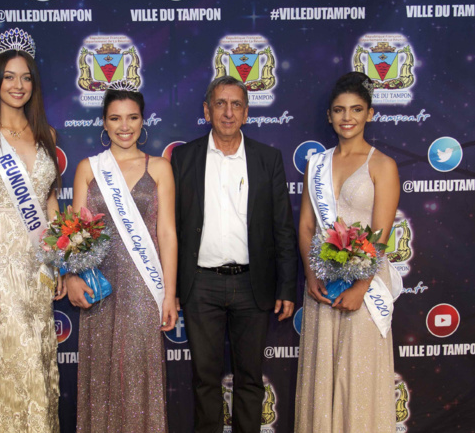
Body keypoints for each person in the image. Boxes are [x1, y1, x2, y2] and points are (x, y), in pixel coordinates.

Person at [170, 75, 297, 433]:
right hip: (201, 285)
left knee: (250, 379)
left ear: (246, 113)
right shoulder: (183, 158)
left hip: (252, 285)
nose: (228, 112)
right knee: (204, 379)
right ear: (207, 111)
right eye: (221, 104)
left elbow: (282, 228)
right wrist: (173, 287)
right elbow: (172, 227)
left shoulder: (267, 159)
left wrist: (287, 288)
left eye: (236, 104)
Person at [0, 28, 63, 432]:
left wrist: (59, 261)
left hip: (37, 261)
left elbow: (51, 203)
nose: (18, 85)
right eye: (9, 77)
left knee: (36, 355)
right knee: (11, 358)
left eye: (25, 78)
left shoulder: (46, 136)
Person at [66, 88, 179, 432]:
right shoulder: (89, 168)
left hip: (145, 288)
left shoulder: (158, 168)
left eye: (132, 117)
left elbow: (168, 234)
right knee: (101, 375)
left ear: (143, 121)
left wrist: (170, 295)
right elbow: (75, 231)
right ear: (104, 122)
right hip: (100, 286)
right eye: (115, 118)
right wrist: (72, 277)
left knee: (137, 376)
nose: (124, 126)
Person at [294, 71, 401, 432]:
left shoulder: (383, 165)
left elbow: (381, 235)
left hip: (364, 286)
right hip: (323, 281)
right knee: (322, 371)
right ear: (329, 116)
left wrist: (361, 286)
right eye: (339, 110)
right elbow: (308, 225)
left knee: (358, 373)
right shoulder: (316, 163)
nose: (347, 117)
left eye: (356, 109)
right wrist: (311, 275)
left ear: (370, 114)